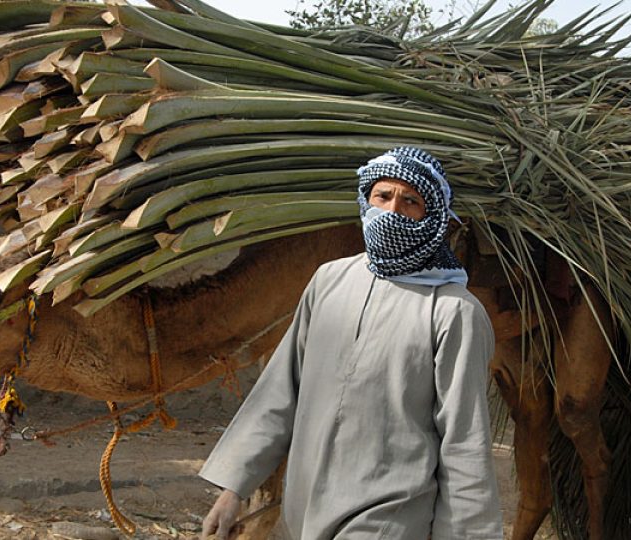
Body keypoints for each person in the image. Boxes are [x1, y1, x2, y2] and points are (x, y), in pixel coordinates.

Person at [198, 147, 503, 539]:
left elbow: (463, 442)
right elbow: (280, 392)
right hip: (302, 512)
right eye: (383, 196)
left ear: (434, 219)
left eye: (410, 201)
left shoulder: (453, 312)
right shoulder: (329, 281)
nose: (393, 210)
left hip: (389, 517)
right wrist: (233, 490)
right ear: (366, 200)